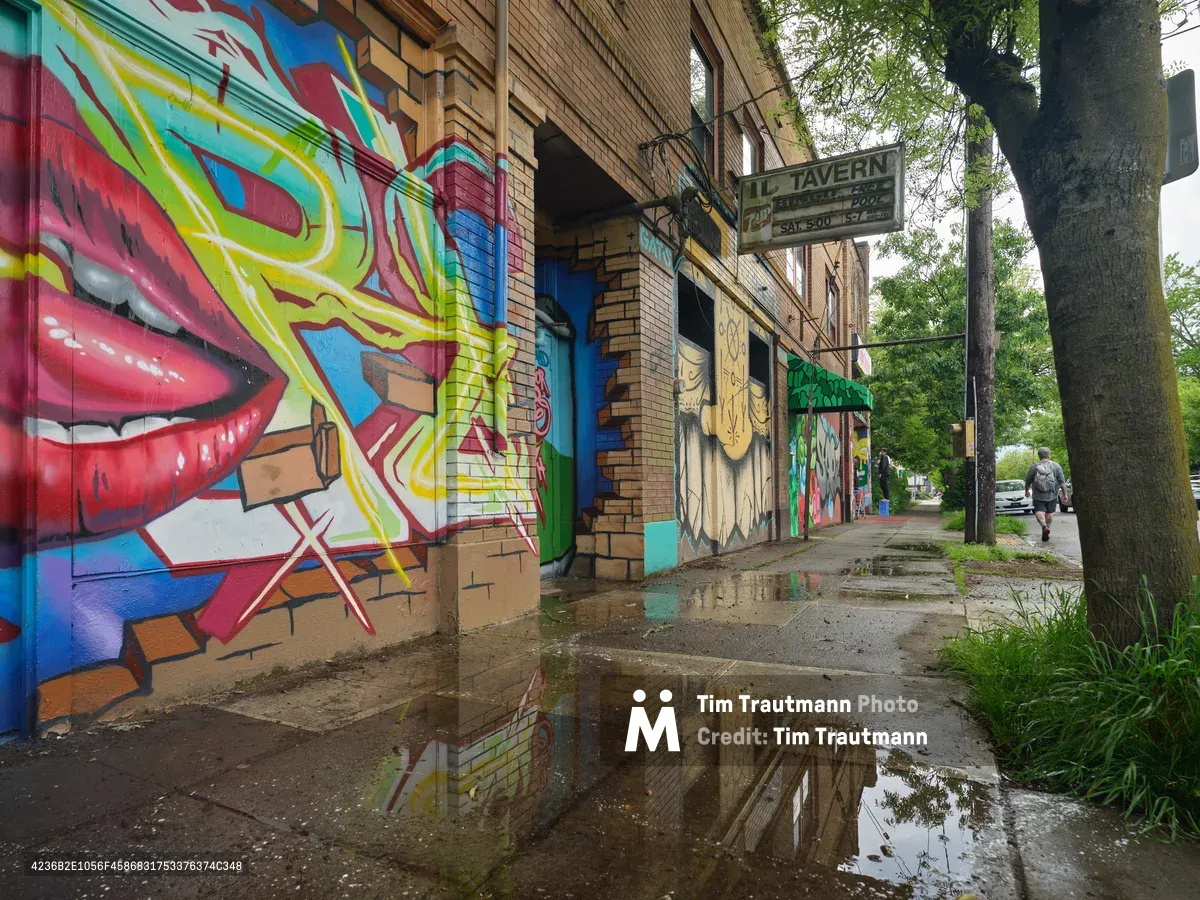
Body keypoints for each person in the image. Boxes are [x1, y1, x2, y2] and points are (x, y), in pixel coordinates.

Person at [1025, 448, 1068, 542]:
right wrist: (1065, 494)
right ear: (1049, 455)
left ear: (1039, 455)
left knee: (1039, 511)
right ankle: (1046, 528)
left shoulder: (1034, 466)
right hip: (1052, 494)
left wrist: (1027, 491)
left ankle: (1044, 526)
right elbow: (1062, 482)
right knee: (1049, 512)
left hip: (1038, 495)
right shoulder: (1056, 466)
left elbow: (1028, 480)